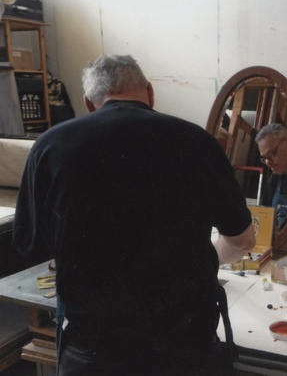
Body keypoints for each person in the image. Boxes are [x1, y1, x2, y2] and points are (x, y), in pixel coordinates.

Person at [12, 54, 256, 375]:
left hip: (96, 352)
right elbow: (242, 239)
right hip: (186, 350)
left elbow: (31, 247)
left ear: (88, 103)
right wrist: (208, 258)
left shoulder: (50, 146)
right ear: (150, 93)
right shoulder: (199, 142)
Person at [255, 123, 287, 228]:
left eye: (271, 154)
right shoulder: (274, 180)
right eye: (264, 158)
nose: (268, 163)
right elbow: (263, 216)